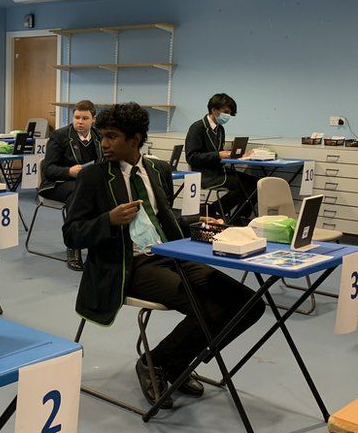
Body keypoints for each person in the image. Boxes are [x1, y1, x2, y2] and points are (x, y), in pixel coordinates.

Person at [63, 102, 264, 409]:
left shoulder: (159, 170)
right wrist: (108, 220)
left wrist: (196, 222)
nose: (104, 143)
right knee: (207, 309)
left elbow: (161, 219)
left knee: (250, 304)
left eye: (112, 136)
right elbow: (71, 233)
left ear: (136, 139)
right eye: (103, 136)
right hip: (128, 265)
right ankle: (155, 363)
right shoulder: (94, 177)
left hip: (170, 254)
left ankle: (172, 362)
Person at [39, 100, 103, 271]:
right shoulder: (59, 136)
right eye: (76, 117)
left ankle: (100, 246)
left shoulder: (99, 137)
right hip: (57, 183)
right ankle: (74, 247)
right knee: (78, 193)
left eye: (84, 118)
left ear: (93, 119)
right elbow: (48, 169)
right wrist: (69, 172)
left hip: (86, 184)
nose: (79, 122)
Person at [184, 93, 258, 224]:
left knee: (256, 183)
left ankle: (232, 215)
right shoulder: (197, 128)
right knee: (243, 186)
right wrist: (218, 155)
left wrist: (237, 154)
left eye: (230, 113)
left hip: (218, 171)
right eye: (226, 112)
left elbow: (219, 153)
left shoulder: (220, 129)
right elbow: (191, 157)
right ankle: (218, 211)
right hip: (206, 174)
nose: (228, 116)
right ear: (214, 110)